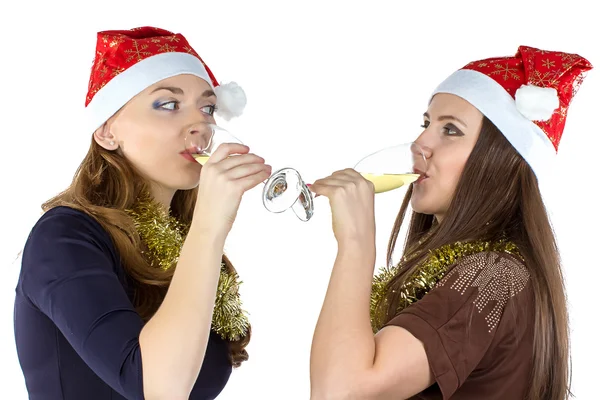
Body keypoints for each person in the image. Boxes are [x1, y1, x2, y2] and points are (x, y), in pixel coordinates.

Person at [308, 46, 592, 399]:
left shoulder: (493, 277)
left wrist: (356, 242)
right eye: (426, 124)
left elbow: (341, 391)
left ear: (501, 160)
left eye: (451, 131)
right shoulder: (479, 271)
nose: (420, 143)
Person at [13, 26, 271, 400]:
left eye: (208, 107)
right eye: (168, 104)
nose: (201, 123)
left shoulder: (182, 244)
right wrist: (210, 225)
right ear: (106, 131)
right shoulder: (63, 237)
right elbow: (156, 387)